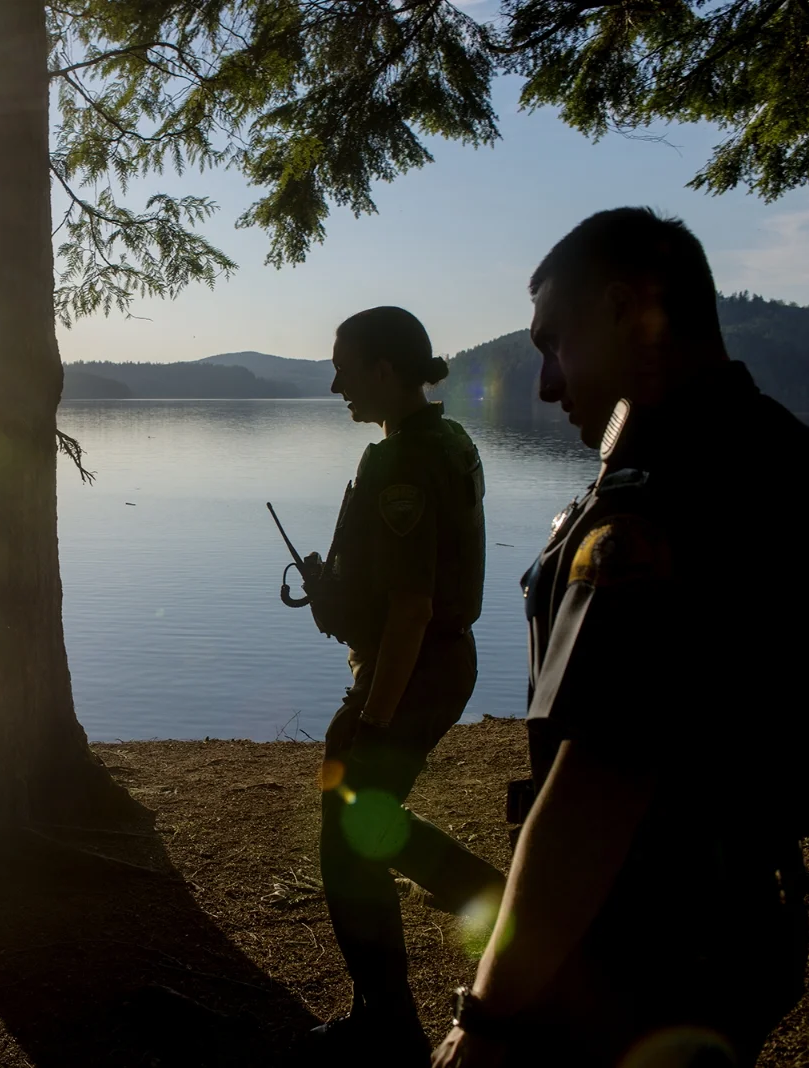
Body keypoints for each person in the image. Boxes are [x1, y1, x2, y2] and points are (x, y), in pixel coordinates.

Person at [431, 208, 809, 1068]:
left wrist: (484, 1018)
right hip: (745, 928)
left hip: (625, 958)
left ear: (631, 310)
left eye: (555, 344)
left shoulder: (653, 509)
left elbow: (599, 787)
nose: (548, 385)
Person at [302, 306, 507, 1065]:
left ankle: (389, 1021)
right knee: (360, 819)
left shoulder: (401, 463)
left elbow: (415, 605)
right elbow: (403, 587)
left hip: (412, 671)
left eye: (345, 368)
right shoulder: (447, 440)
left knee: (351, 832)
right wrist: (341, 597)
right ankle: (500, 908)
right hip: (434, 662)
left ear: (384, 371)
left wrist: (377, 718)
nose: (335, 384)